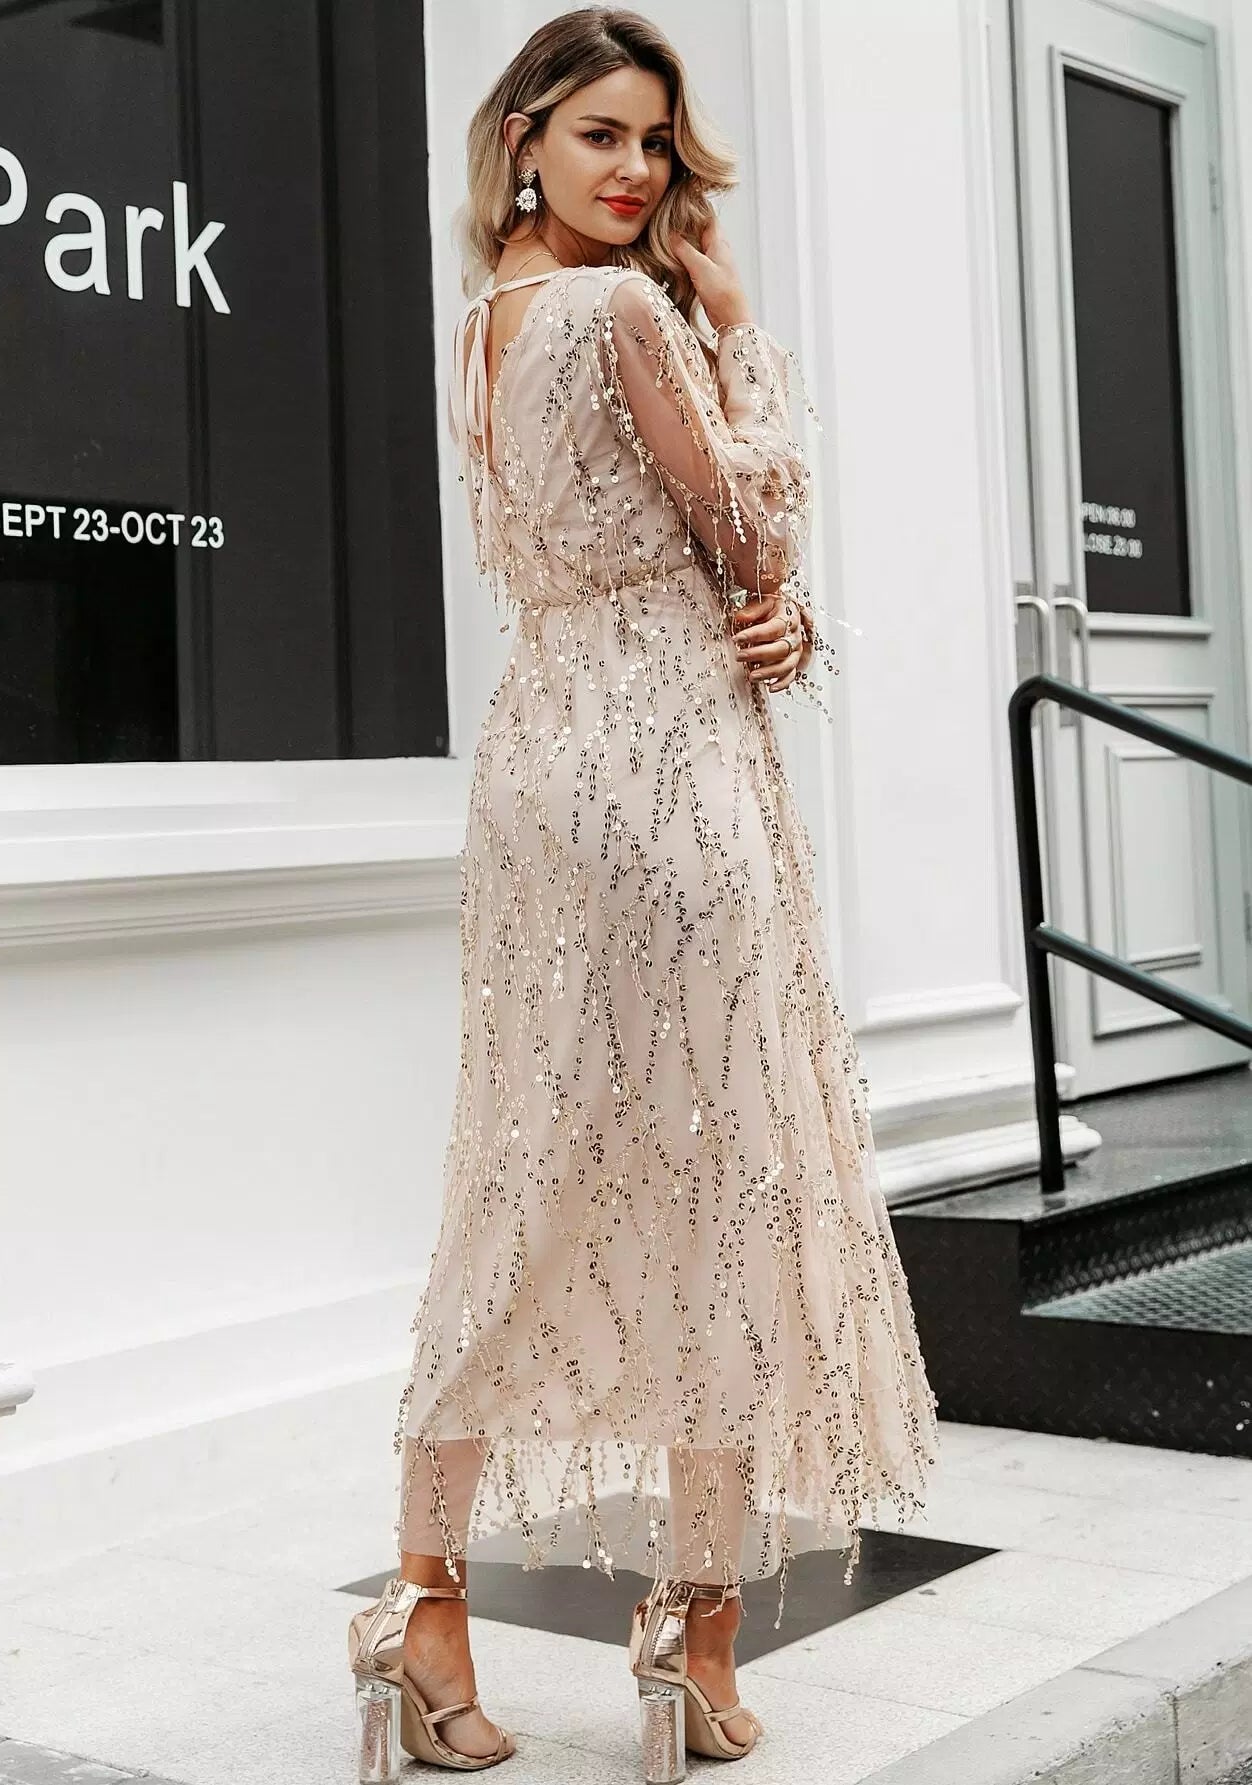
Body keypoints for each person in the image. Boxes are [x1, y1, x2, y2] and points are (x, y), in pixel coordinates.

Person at [347, 9, 941, 1779]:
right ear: (523, 138)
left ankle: (421, 1606)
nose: (634, 170)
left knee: (519, 1171)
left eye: (656, 142)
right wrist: (738, 332)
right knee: (725, 1177)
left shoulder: (483, 323)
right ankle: (694, 1627)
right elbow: (746, 533)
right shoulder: (624, 313)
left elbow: (625, 552)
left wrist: (768, 615)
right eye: (600, 134)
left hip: (544, 761)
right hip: (666, 774)